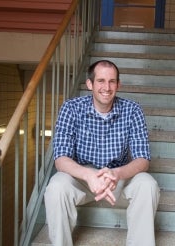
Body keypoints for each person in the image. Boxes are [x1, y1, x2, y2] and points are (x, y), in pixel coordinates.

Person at [44, 59, 160, 246]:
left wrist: (116, 173)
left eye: (112, 81)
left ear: (118, 84)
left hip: (118, 176)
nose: (107, 87)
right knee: (56, 186)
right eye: (101, 81)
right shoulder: (71, 108)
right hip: (83, 177)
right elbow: (61, 159)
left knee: (148, 184)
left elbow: (143, 160)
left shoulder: (133, 110)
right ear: (90, 84)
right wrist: (89, 175)